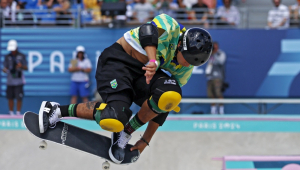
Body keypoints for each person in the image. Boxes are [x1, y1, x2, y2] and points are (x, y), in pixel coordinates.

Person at [38, 14, 212, 164]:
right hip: (118, 62)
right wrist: (152, 61)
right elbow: (147, 31)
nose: (187, 64)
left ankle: (124, 134)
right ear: (182, 45)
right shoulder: (171, 27)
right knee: (114, 118)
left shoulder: (186, 68)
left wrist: (146, 140)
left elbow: (165, 106)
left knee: (169, 95)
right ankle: (55, 109)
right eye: (187, 58)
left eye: (192, 63)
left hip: (144, 74)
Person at [2, 39, 28, 115]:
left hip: (19, 81)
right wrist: (5, 70)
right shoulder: (7, 56)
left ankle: (18, 112)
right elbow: (5, 68)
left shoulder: (22, 56)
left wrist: (21, 66)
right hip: (10, 81)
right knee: (10, 97)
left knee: (19, 97)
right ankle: (10, 112)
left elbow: (26, 67)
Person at [205, 41, 226, 115]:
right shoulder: (210, 55)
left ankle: (221, 110)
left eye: (215, 47)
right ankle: (213, 111)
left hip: (217, 77)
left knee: (218, 93)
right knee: (211, 95)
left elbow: (221, 62)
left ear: (218, 47)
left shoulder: (220, 53)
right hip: (210, 78)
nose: (214, 48)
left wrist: (215, 53)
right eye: (213, 47)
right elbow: (209, 65)